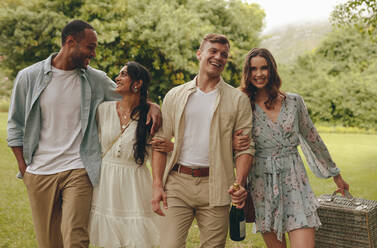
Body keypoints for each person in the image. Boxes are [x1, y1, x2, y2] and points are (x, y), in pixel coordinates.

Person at [7, 20, 161, 248]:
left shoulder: (94, 78)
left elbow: (127, 97)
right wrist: (24, 168)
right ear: (71, 42)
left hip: (78, 170)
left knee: (76, 238)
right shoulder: (29, 77)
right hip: (40, 172)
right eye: (90, 47)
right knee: (49, 242)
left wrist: (151, 105)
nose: (94, 53)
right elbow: (15, 125)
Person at [233, 48, 349, 248]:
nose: (259, 74)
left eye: (264, 68)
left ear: (272, 70)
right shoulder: (243, 104)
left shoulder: (294, 102)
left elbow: (313, 138)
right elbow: (228, 138)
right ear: (247, 72)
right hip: (262, 182)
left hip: (295, 180)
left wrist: (335, 173)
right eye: (253, 69)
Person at [150, 33, 255, 248]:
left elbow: (246, 148)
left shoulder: (238, 100)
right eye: (213, 51)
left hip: (217, 186)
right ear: (200, 54)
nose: (218, 57)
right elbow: (160, 143)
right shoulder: (175, 95)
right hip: (178, 183)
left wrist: (239, 184)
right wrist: (157, 184)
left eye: (224, 54)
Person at [89, 62, 166, 247]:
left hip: (135, 183)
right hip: (106, 181)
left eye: (123, 74)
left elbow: (157, 150)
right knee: (108, 237)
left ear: (137, 83)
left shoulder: (151, 116)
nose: (117, 78)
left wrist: (157, 184)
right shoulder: (103, 110)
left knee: (135, 237)